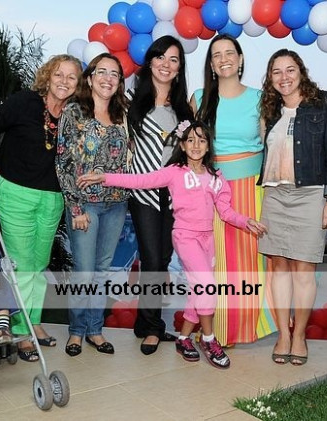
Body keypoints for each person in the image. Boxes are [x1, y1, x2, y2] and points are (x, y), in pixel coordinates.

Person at [78, 121, 267, 369]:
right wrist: (105, 177)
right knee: (207, 287)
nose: (196, 145)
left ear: (208, 145)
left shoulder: (217, 178)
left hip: (207, 241)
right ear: (182, 145)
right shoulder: (175, 172)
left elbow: (226, 212)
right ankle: (209, 339)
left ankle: (184, 338)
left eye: (201, 140)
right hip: (185, 237)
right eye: (191, 140)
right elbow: (141, 180)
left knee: (198, 291)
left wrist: (246, 221)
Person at [0, 54, 82, 361]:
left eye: (71, 77)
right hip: (15, 194)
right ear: (47, 76)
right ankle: (20, 331)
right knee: (21, 265)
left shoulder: (74, 115)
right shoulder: (24, 102)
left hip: (52, 199)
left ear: (77, 85)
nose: (64, 81)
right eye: (58, 74)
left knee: (38, 265)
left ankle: (33, 323)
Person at [258, 49, 327, 366]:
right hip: (274, 196)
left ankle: (300, 336)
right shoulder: (270, 110)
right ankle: (284, 334)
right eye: (276, 71)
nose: (284, 77)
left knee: (304, 270)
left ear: (301, 72)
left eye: (290, 70)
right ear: (270, 78)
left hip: (311, 194)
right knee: (278, 268)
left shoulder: (324, 103)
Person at [190, 34, 274, 346]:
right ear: (211, 64)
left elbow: (270, 144)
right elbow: (191, 147)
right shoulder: (199, 98)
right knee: (216, 263)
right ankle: (218, 331)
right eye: (216, 55)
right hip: (211, 192)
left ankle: (251, 327)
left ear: (240, 59)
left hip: (251, 189)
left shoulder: (259, 98)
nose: (223, 59)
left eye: (229, 53)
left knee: (251, 261)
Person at [56, 53, 130, 357]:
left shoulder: (123, 113)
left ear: (119, 82)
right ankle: (76, 331)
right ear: (90, 78)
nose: (108, 78)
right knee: (84, 272)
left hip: (117, 204)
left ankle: (95, 330)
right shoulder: (74, 111)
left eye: (114, 74)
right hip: (84, 204)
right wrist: (75, 207)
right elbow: (63, 162)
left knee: (101, 271)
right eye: (102, 72)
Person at [126, 35, 194, 355]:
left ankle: (144, 322)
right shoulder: (130, 101)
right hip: (142, 193)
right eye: (160, 57)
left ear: (179, 68)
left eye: (174, 59)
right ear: (150, 61)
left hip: (174, 195)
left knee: (163, 259)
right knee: (152, 259)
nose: (166, 64)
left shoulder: (184, 109)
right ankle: (153, 328)